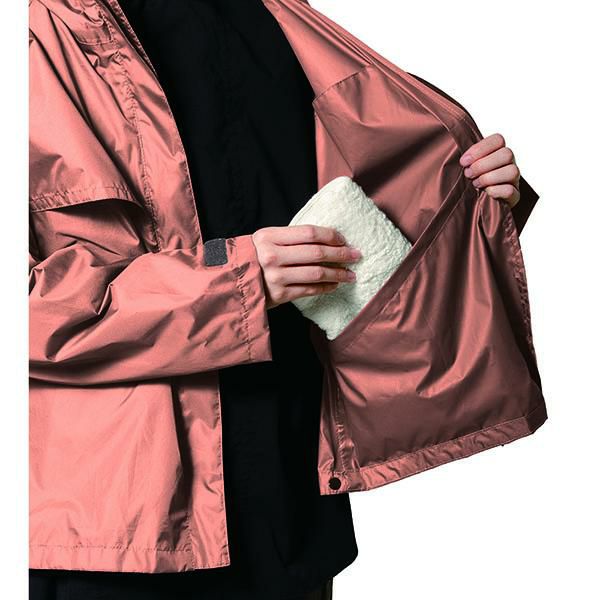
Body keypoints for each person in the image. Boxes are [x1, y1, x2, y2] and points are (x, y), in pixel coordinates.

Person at [28, 1, 524, 599]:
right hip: (122, 535)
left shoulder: (273, 16)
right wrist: (235, 282)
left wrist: (467, 199)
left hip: (294, 506)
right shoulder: (32, 33)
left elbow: (360, 228)